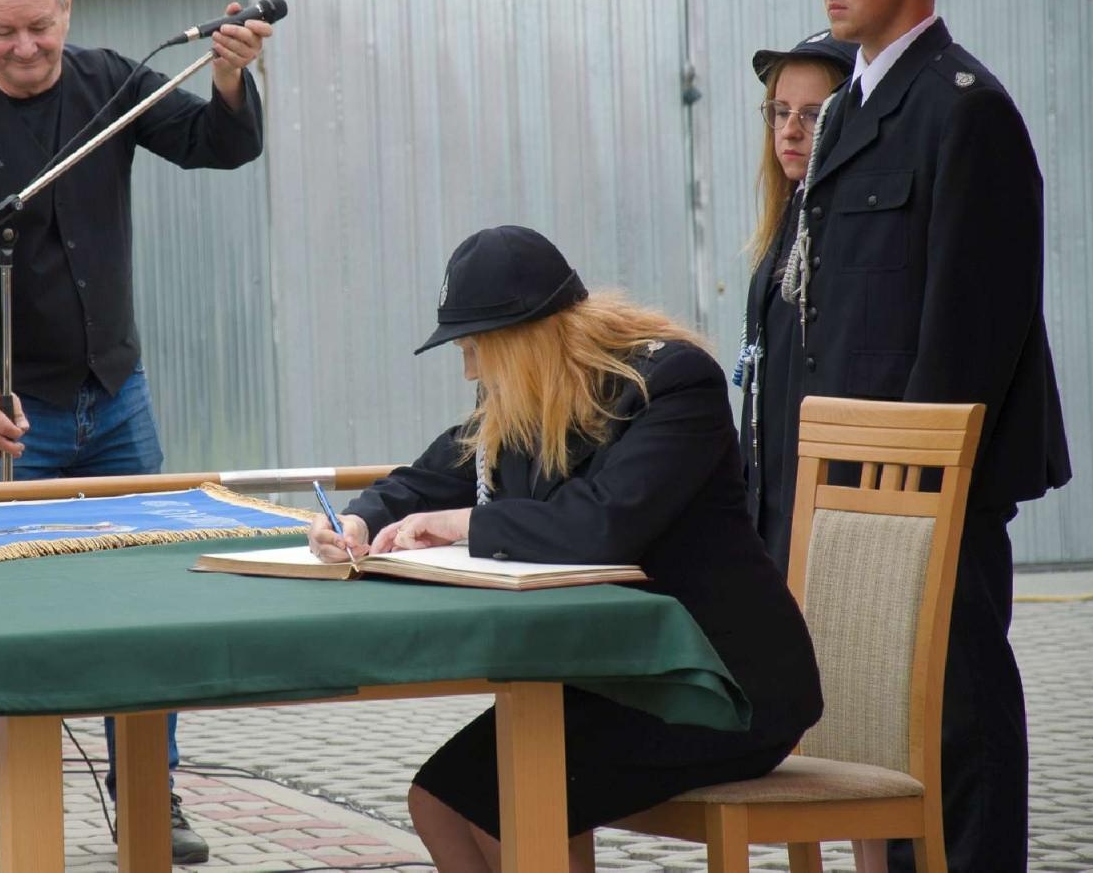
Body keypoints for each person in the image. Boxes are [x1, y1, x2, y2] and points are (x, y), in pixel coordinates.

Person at [310, 225, 823, 871]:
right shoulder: (527, 394)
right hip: (620, 676)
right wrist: (356, 521)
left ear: (526, 337)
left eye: (475, 348)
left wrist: (467, 523)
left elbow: (603, 525)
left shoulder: (672, 384)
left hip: (722, 685)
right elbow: (428, 477)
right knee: (437, 799)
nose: (470, 369)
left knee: (505, 804)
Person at [0, 0, 272, 867]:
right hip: (14, 414)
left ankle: (148, 791)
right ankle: (16, 809)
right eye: (4, 32)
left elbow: (220, 146)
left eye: (40, 26)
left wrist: (230, 75)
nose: (25, 48)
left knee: (146, 602)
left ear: (67, 9)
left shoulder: (113, 80)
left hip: (116, 394)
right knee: (5, 614)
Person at [783, 0, 1072, 873]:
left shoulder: (962, 108)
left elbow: (969, 329)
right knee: (882, 730)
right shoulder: (849, 109)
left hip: (929, 485)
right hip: (857, 483)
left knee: (955, 717)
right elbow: (823, 313)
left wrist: (913, 490)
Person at [735, 30, 854, 570]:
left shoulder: (845, 225)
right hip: (774, 490)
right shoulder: (789, 214)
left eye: (812, 114)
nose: (790, 130)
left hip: (826, 493)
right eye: (780, 112)